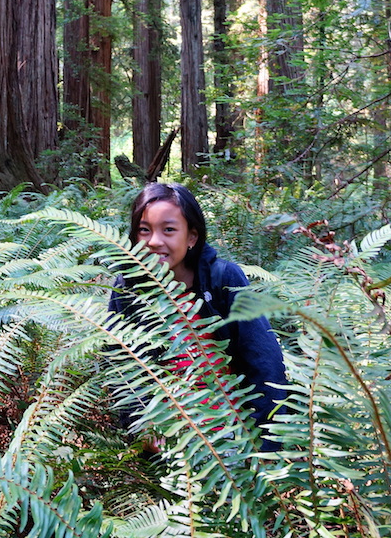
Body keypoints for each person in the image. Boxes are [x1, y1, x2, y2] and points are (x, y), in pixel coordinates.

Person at [107, 182, 287, 451]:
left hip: (234, 440)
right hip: (165, 447)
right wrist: (141, 429)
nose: (154, 242)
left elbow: (264, 362)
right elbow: (122, 368)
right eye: (144, 230)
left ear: (192, 237)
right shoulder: (126, 288)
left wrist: (267, 450)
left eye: (168, 230)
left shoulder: (223, 280)